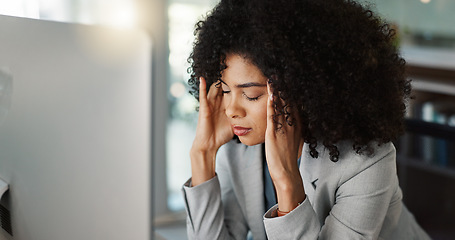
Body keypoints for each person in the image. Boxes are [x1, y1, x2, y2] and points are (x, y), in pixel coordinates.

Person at [182, 0, 431, 239]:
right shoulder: (239, 150)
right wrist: (203, 154)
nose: (231, 110)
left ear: (301, 90)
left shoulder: (365, 163)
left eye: (251, 95)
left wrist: (286, 181)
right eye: (225, 91)